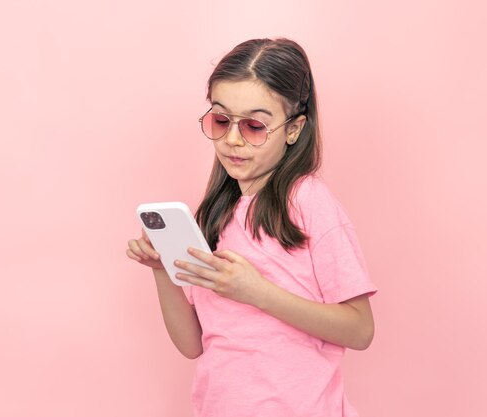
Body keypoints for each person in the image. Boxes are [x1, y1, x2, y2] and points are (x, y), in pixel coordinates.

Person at [126, 37, 377, 417]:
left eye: (255, 126)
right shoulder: (214, 215)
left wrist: (256, 291)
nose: (232, 139)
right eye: (221, 120)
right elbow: (195, 344)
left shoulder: (307, 201)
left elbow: (360, 330)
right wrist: (163, 272)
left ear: (294, 130)